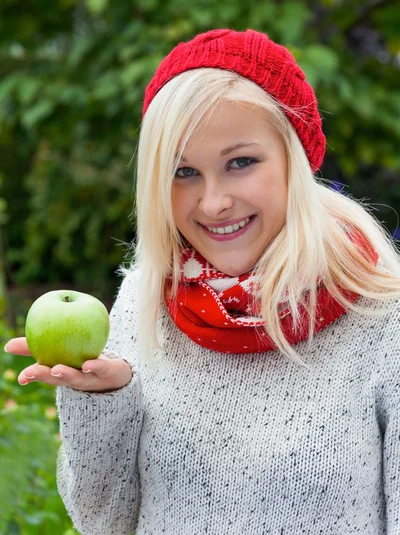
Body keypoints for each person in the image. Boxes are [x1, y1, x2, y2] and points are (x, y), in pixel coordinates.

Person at [5, 28, 400, 534]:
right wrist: (102, 401)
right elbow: (104, 523)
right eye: (183, 172)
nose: (213, 202)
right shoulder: (144, 299)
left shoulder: (379, 312)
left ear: (294, 159)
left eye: (240, 162)